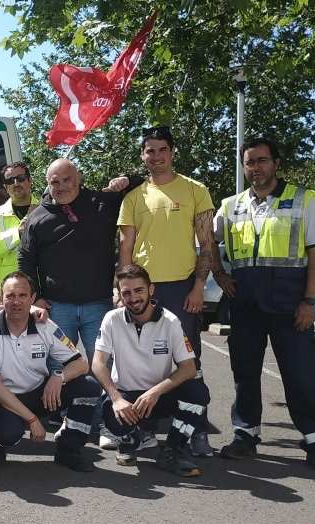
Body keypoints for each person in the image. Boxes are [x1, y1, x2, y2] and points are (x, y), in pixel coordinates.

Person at [211, 136, 315, 470]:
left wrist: (309, 300)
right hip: (246, 305)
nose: (255, 168)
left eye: (262, 160)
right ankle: (245, 436)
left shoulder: (302, 200)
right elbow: (206, 240)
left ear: (276, 163)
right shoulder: (231, 205)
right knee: (245, 375)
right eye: (249, 162)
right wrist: (220, 275)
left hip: (291, 305)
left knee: (301, 375)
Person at [19, 159, 143, 450]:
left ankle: (103, 423)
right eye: (54, 182)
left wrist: (123, 179)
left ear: (79, 178)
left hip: (98, 304)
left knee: (101, 366)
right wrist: (35, 296)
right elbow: (26, 261)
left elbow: (142, 179)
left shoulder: (103, 202)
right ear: (47, 184)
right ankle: (69, 418)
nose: (60, 186)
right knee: (60, 366)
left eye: (66, 179)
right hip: (57, 306)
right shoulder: (37, 217)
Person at [114, 126, 215, 456]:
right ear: (142, 155)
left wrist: (199, 286)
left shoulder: (195, 190)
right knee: (139, 360)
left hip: (182, 290)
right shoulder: (134, 197)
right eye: (149, 151)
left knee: (189, 362)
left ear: (172, 152)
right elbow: (125, 248)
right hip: (142, 291)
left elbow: (206, 243)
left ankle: (196, 432)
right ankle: (139, 431)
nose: (155, 157)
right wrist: (122, 290)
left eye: (161, 150)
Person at [0, 271, 101, 472]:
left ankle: (68, 450)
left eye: (22, 295)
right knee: (8, 433)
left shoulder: (45, 325)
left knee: (88, 387)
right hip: (4, 399)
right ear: (1, 298)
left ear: (32, 299)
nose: (16, 302)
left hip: (39, 393)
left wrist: (58, 376)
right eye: (10, 296)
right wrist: (33, 420)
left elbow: (81, 364)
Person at [92, 264, 209, 477]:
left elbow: (189, 368)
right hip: (127, 398)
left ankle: (172, 451)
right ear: (120, 294)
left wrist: (155, 392)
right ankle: (129, 440)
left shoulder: (171, 321)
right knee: (109, 409)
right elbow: (98, 363)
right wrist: (116, 398)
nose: (133, 298)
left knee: (197, 392)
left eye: (139, 290)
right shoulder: (112, 319)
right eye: (126, 292)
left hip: (159, 397)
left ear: (151, 290)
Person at [0, 161, 33, 299]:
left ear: (30, 181)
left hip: (39, 294)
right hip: (7, 295)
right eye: (10, 180)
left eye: (20, 178)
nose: (16, 183)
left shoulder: (44, 210)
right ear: (5, 187)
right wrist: (17, 233)